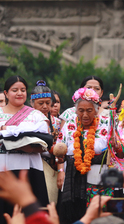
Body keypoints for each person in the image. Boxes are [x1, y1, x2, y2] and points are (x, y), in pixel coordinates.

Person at [56, 87, 124, 224]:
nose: (85, 115)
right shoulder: (69, 124)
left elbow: (121, 153)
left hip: (102, 179)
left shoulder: (107, 122)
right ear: (76, 111)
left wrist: (116, 146)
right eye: (81, 111)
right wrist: (60, 170)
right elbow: (59, 149)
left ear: (96, 110)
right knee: (76, 215)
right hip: (74, 179)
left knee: (104, 215)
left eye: (89, 110)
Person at [0, 75, 50, 224]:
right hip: (4, 170)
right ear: (6, 93)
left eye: (23, 90)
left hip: (29, 169)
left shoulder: (36, 115)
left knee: (30, 212)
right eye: (15, 90)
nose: (19, 93)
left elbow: (46, 142)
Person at [30, 80, 61, 205]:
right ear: (32, 103)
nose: (45, 106)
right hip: (34, 163)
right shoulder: (28, 120)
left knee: (52, 201)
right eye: (40, 103)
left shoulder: (57, 122)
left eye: (48, 103)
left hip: (53, 165)